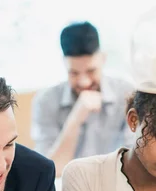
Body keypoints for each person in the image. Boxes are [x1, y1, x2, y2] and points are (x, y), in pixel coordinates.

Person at [31, 21, 134, 176]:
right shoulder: (45, 101)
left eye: (91, 71)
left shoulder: (126, 93)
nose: (84, 82)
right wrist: (76, 118)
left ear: (103, 59)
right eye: (74, 73)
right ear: (64, 65)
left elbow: (135, 161)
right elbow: (53, 171)